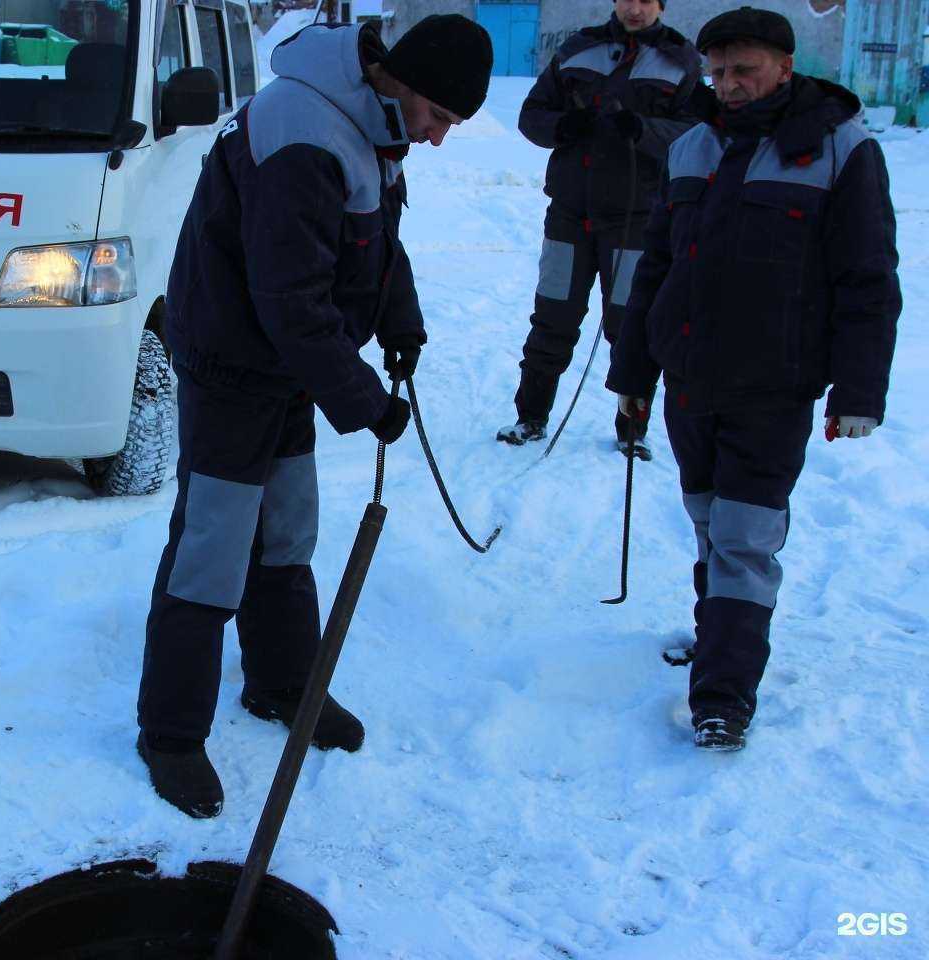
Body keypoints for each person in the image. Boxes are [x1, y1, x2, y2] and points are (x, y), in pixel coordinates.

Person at [136, 16, 493, 817]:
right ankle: (169, 733)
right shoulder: (305, 131)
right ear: (404, 81)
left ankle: (282, 685)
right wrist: (363, 400)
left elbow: (377, 240)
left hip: (286, 369)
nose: (437, 140)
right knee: (212, 549)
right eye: (440, 118)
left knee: (286, 532)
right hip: (236, 365)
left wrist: (399, 322)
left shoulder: (374, 119)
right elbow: (289, 299)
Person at [607, 7, 900, 750]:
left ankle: (723, 695)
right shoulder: (694, 147)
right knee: (708, 521)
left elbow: (868, 278)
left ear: (785, 67)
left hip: (775, 383)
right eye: (718, 72)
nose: (729, 86)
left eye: (746, 70)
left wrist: (859, 392)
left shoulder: (840, 150)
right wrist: (634, 371)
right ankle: (719, 637)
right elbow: (657, 267)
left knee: (743, 536)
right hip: (689, 379)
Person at [498, 0, 703, 458]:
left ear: (661, 5)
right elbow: (532, 116)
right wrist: (564, 125)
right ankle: (530, 416)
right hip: (570, 214)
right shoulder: (578, 48)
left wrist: (644, 130)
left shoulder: (680, 60)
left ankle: (632, 430)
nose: (635, 7)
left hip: (635, 218)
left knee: (631, 326)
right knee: (552, 317)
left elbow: (697, 131)